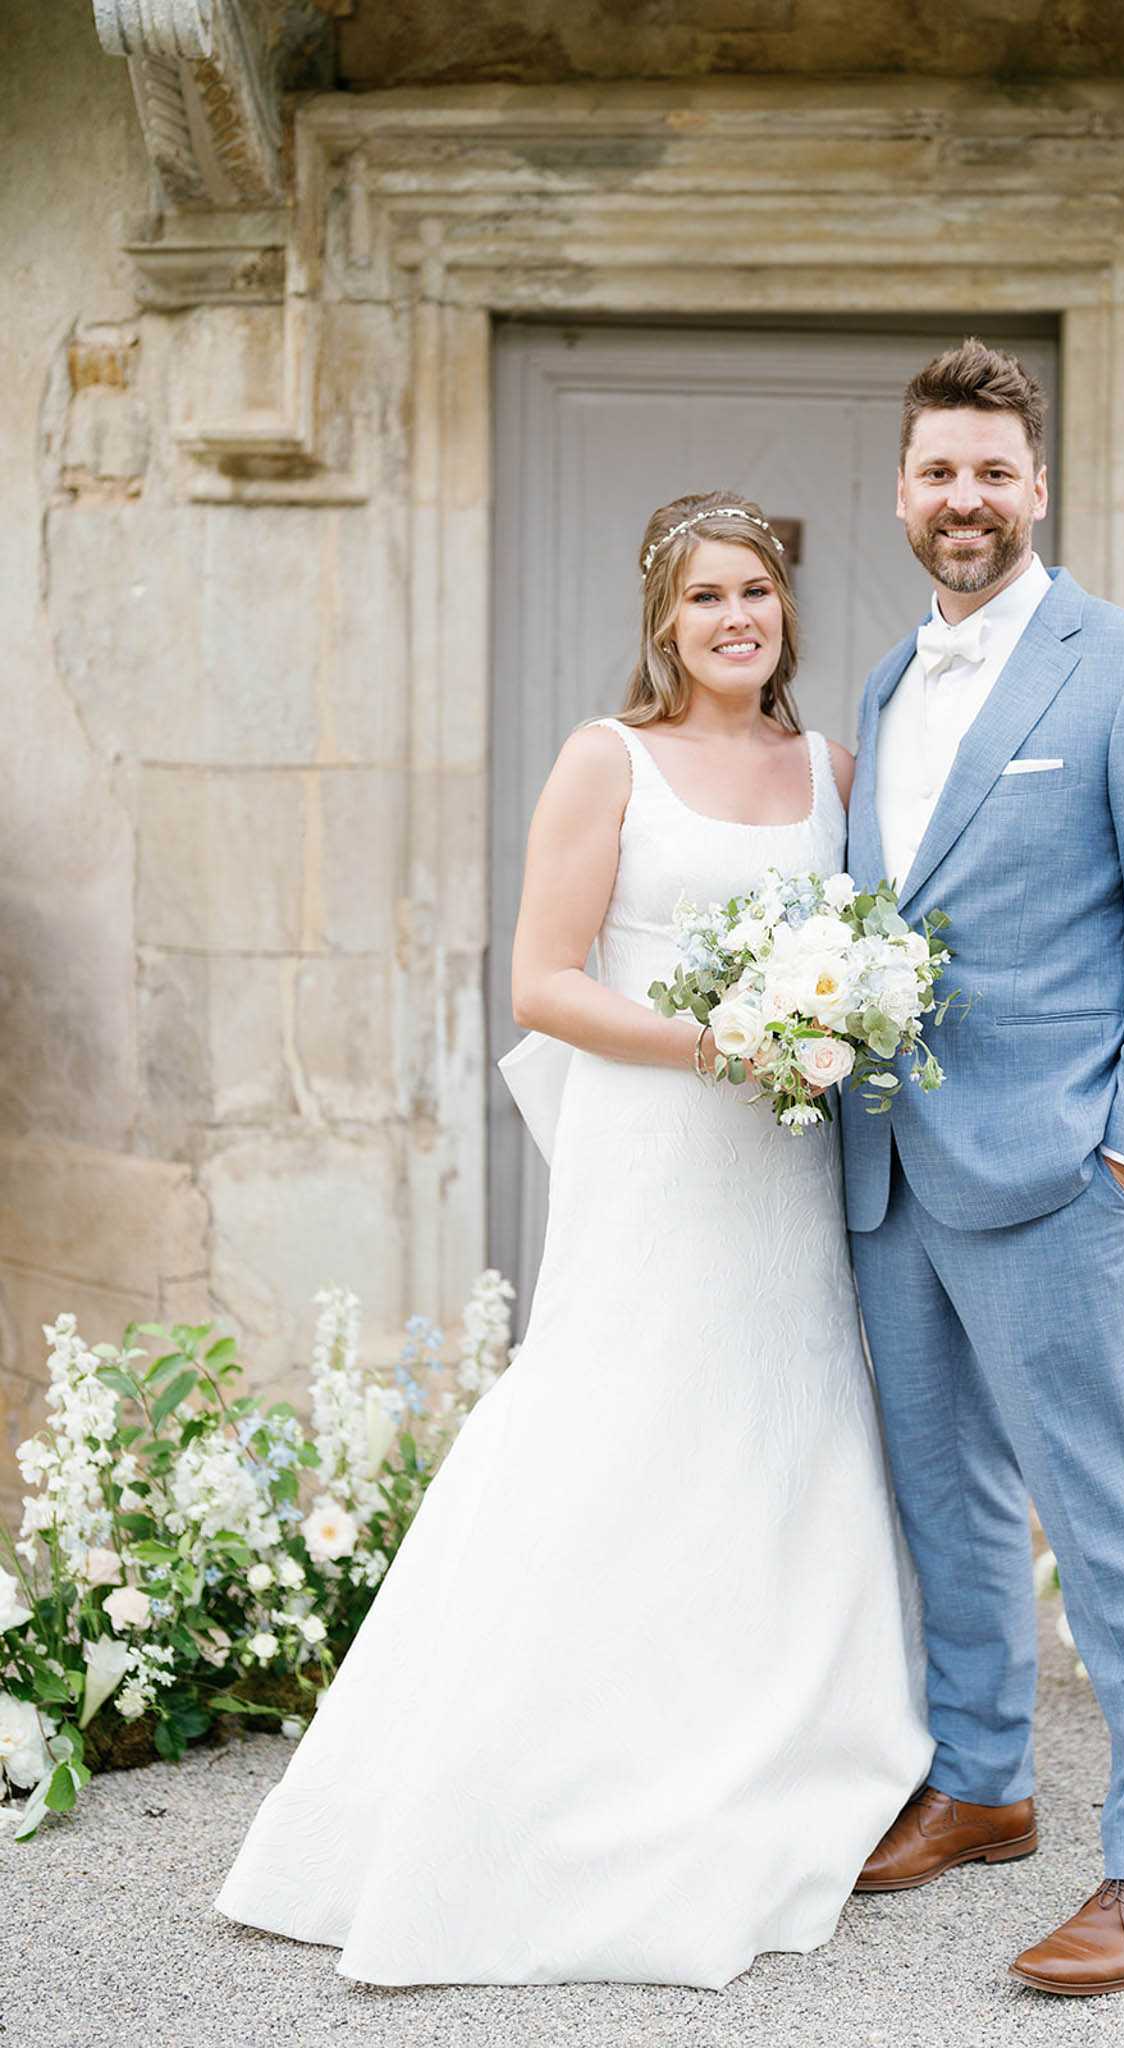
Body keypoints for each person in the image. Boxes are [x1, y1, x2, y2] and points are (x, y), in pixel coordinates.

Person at [214, 491, 930, 1990]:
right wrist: (720, 1038)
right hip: (665, 1150)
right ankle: (535, 1756)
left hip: (785, 1167)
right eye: (704, 598)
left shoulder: (831, 768)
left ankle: (775, 1728)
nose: (736, 616)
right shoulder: (604, 762)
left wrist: (841, 1012)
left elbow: (871, 943)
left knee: (779, 1417)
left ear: (784, 611)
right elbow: (543, 983)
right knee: (619, 1414)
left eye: (757, 592)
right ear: (662, 623)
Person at [844, 339, 1124, 1997]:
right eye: (939, 472)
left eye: (992, 473)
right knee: (946, 1498)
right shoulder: (879, 680)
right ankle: (985, 1783)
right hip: (890, 1170)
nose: (964, 500)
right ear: (902, 491)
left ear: (1038, 488)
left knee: (1109, 1515)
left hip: (1062, 1175)